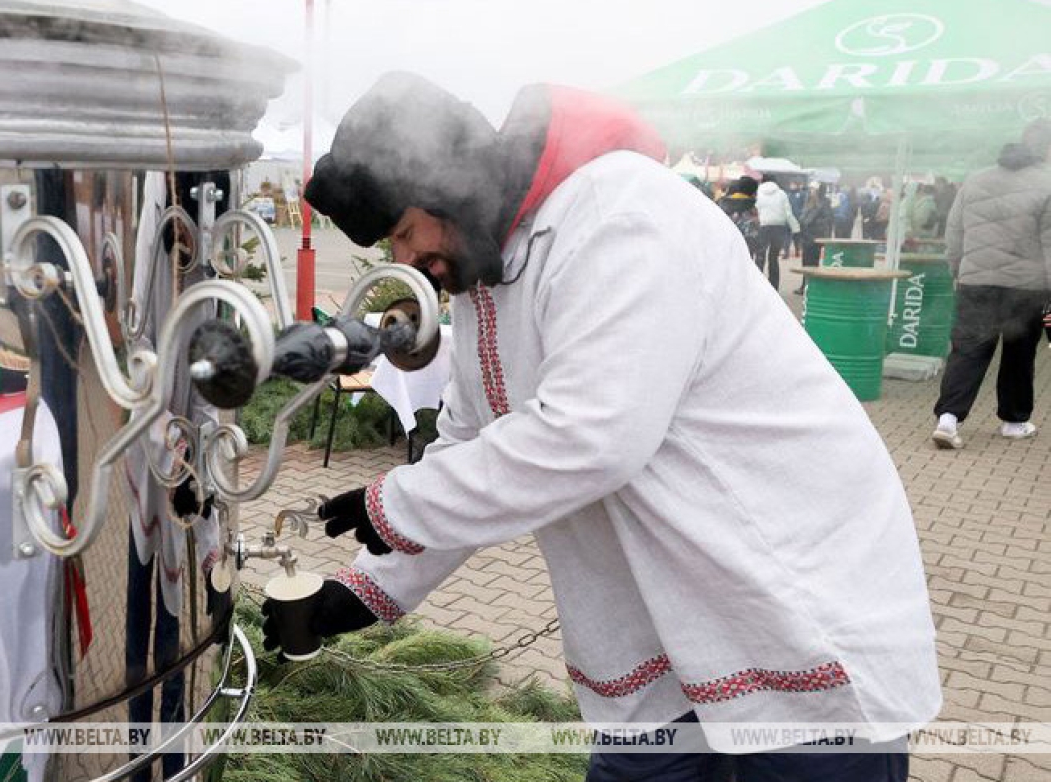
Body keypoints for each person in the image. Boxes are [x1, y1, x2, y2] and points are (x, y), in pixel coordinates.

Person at [279, 72, 939, 782]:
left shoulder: (619, 215)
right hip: (655, 623)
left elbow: (591, 436)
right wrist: (364, 590)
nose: (407, 262)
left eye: (405, 232)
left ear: (448, 184)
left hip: (785, 593)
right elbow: (468, 447)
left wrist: (394, 505)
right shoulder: (486, 278)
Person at [931, 119, 1051, 449]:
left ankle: (948, 419)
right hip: (1026, 287)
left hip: (976, 281)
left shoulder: (977, 179)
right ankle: (1014, 422)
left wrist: (959, 269)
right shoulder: (1048, 182)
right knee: (1019, 354)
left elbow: (954, 231)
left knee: (968, 350)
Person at [754, 177, 800, 289]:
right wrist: (796, 228)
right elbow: (788, 213)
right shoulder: (782, 194)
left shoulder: (758, 192)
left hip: (762, 227)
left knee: (760, 256)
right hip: (779, 228)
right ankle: (773, 287)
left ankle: (756, 285)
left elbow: (755, 210)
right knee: (773, 257)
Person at [795, 182, 833, 295]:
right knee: (806, 262)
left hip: (815, 237)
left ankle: (811, 286)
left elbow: (828, 219)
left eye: (813, 189)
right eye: (810, 189)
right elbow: (803, 217)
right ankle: (804, 285)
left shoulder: (824, 202)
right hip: (806, 235)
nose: (811, 191)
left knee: (813, 262)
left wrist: (814, 223)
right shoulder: (809, 201)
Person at [715, 176, 760, 261]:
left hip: (724, 245)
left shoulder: (721, 203)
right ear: (753, 192)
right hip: (746, 248)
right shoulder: (752, 207)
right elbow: (755, 231)